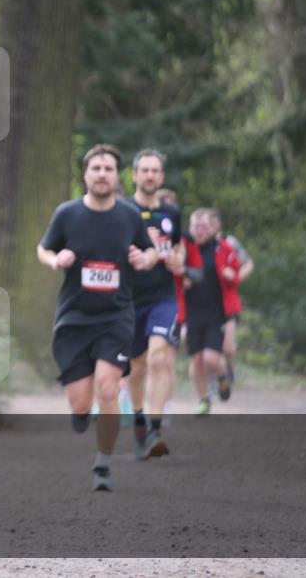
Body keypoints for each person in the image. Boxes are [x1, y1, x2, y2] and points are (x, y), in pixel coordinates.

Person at [37, 143, 157, 491]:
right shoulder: (67, 214)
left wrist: (145, 259)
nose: (102, 174)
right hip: (74, 316)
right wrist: (54, 260)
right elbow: (44, 248)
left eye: (108, 169)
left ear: (116, 176)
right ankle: (79, 411)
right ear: (85, 175)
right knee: (80, 401)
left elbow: (150, 251)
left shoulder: (129, 216)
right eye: (96, 168)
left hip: (115, 316)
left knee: (108, 387)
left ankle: (103, 464)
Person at [125, 150, 185, 459]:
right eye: (144, 170)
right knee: (135, 369)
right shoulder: (122, 211)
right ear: (134, 175)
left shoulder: (172, 215)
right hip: (130, 299)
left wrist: (177, 262)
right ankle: (138, 417)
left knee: (158, 359)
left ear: (161, 178)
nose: (149, 175)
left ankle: (155, 428)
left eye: (155, 171)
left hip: (163, 297)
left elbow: (179, 253)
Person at [185, 208, 242, 415]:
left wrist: (230, 275)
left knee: (210, 358)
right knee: (196, 361)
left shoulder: (223, 249)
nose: (199, 230)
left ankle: (222, 376)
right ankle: (203, 400)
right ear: (190, 228)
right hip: (191, 313)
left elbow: (236, 275)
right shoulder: (183, 249)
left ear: (211, 229)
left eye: (204, 227)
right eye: (196, 226)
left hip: (216, 312)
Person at [207, 212, 253, 385]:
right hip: (207, 301)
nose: (210, 226)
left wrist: (236, 277)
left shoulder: (230, 242)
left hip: (227, 301)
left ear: (218, 224)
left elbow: (248, 263)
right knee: (210, 346)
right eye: (207, 222)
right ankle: (216, 377)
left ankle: (230, 368)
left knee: (227, 346)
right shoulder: (199, 244)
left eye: (213, 222)